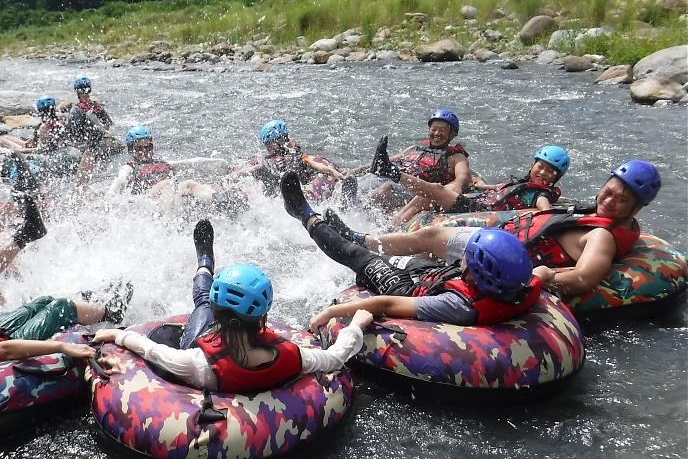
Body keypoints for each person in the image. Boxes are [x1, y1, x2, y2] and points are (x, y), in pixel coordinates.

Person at [302, 159, 661, 298]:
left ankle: (358, 241)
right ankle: (365, 243)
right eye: (609, 191)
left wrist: (545, 275)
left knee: (428, 237)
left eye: (621, 201)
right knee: (428, 242)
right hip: (506, 242)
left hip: (508, 258)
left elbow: (584, 279)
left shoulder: (601, 237)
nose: (609, 201)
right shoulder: (598, 218)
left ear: (637, 207)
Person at [91, 219, 373, 393]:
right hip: (245, 339)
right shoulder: (296, 357)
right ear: (264, 316)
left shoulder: (196, 364)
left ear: (220, 312)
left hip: (203, 341)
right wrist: (357, 324)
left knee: (201, 303)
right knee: (204, 305)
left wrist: (117, 334)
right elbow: (336, 357)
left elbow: (152, 350)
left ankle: (204, 263)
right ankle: (205, 265)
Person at [279, 174, 548, 327]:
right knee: (412, 254)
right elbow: (543, 273)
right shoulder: (520, 284)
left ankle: (304, 214)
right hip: (436, 277)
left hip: (407, 289)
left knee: (357, 256)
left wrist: (332, 312)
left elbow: (388, 304)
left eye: (467, 258)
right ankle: (351, 233)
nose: (462, 256)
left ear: (478, 276)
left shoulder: (459, 306)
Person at [371, 144, 569, 220]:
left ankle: (391, 172)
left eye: (550, 172)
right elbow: (501, 191)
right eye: (540, 167)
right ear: (532, 165)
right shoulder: (524, 184)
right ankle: (396, 222)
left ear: (555, 178)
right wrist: (480, 184)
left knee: (437, 190)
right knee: (426, 197)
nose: (543, 173)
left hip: (479, 211)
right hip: (479, 201)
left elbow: (545, 212)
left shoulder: (542, 194)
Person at [367, 109, 472, 223]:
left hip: (416, 189)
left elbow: (463, 175)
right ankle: (354, 206)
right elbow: (383, 164)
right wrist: (353, 171)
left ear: (452, 134)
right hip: (392, 178)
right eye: (434, 129)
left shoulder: (456, 156)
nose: (436, 133)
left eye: (442, 130)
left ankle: (360, 213)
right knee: (369, 181)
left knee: (386, 188)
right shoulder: (415, 148)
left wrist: (457, 186)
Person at [228, 119, 351, 200]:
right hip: (279, 194)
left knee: (328, 173)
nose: (268, 147)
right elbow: (254, 168)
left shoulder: (295, 154)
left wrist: (332, 172)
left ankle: (348, 179)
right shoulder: (266, 160)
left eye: (270, 143)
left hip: (300, 192)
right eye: (267, 144)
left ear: (281, 140)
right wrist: (236, 175)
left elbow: (314, 164)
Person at [107, 125, 224, 206]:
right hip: (149, 199)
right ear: (131, 150)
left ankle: (218, 200)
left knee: (189, 184)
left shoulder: (162, 164)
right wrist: (109, 201)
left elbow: (193, 163)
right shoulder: (129, 167)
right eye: (139, 148)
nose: (144, 151)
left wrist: (222, 166)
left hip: (170, 194)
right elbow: (120, 181)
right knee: (167, 184)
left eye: (148, 147)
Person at [0, 95, 71, 163]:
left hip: (36, 152)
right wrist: (30, 141)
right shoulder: (58, 120)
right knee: (7, 137)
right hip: (38, 146)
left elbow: (41, 150)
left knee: (2, 141)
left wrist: (22, 150)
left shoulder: (44, 126)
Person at [63, 76, 123, 184]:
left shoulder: (75, 110)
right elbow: (109, 125)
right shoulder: (96, 106)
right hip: (100, 142)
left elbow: (71, 134)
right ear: (90, 90)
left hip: (86, 146)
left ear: (77, 92)